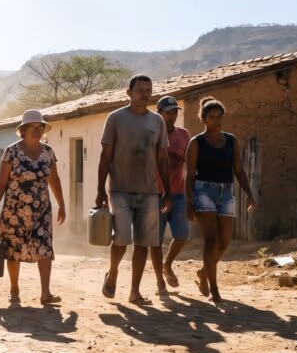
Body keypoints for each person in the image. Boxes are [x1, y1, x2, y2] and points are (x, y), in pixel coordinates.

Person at [95, 75, 172, 304]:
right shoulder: (116, 118)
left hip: (149, 190)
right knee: (121, 239)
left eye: (149, 90)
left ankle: (134, 292)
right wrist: (100, 189)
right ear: (128, 92)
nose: (145, 94)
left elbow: (162, 157)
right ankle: (114, 271)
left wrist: (167, 189)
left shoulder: (157, 121)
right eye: (140, 90)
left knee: (143, 242)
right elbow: (105, 156)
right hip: (119, 189)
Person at [0, 109, 66, 306]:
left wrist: (62, 204)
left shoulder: (48, 153)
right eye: (33, 127)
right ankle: (14, 289)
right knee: (14, 249)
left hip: (42, 211)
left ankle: (46, 293)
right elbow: (1, 182)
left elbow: (54, 180)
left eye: (40, 127)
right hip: (14, 211)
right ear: (22, 130)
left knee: (45, 248)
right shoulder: (11, 152)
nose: (37, 130)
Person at [185, 97, 256, 302]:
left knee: (225, 241)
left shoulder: (231, 141)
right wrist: (189, 202)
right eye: (212, 117)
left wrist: (250, 194)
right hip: (203, 191)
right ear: (204, 119)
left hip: (226, 192)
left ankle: (203, 272)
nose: (216, 120)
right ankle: (214, 289)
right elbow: (189, 175)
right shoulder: (196, 143)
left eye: (219, 116)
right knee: (211, 239)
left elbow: (240, 171)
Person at [152, 96, 192, 288]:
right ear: (159, 114)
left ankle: (167, 265)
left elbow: (190, 163)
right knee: (156, 240)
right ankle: (160, 279)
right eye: (168, 113)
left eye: (175, 112)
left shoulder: (184, 135)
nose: (172, 116)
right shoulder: (152, 134)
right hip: (156, 194)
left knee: (182, 235)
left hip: (178, 193)